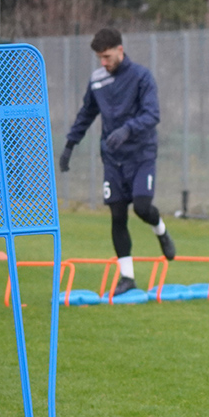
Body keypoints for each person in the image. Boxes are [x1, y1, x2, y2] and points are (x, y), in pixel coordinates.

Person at [58, 28, 174, 295]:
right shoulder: (97, 80)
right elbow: (86, 113)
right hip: (112, 158)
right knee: (117, 214)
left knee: (142, 208)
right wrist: (70, 145)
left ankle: (160, 230)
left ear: (120, 51)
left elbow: (153, 114)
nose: (103, 62)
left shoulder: (142, 77)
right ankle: (127, 277)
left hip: (141, 154)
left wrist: (127, 130)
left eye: (107, 57)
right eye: (100, 58)